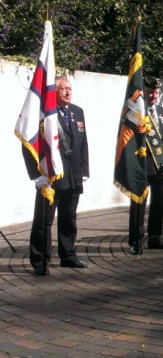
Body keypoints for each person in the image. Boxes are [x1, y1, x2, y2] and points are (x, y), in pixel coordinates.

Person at [24, 76, 89, 275]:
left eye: (70, 89)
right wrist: (36, 175)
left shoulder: (77, 111)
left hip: (73, 176)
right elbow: (29, 145)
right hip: (50, 177)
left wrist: (84, 171)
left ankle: (68, 256)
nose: (68, 92)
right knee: (44, 221)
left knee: (69, 218)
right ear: (55, 91)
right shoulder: (45, 114)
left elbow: (83, 143)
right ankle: (40, 260)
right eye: (63, 89)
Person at [128, 76, 163, 254]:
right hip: (142, 165)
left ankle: (155, 238)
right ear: (143, 93)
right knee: (139, 204)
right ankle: (136, 240)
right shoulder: (136, 112)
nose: (153, 95)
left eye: (156, 92)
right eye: (150, 92)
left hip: (160, 166)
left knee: (158, 204)